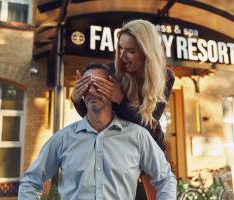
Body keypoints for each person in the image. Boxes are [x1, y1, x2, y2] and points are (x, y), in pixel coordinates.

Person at [18, 63, 176, 200]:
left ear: (112, 87)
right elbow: (30, 181)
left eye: (98, 84)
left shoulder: (138, 136)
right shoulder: (63, 139)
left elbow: (165, 179)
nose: (91, 91)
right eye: (86, 85)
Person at [71, 19, 175, 199]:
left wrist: (120, 100)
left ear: (146, 51)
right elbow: (97, 117)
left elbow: (147, 127)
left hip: (151, 145)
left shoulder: (165, 77)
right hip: (118, 147)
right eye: (120, 48)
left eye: (131, 51)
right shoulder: (111, 73)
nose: (122, 56)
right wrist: (77, 100)